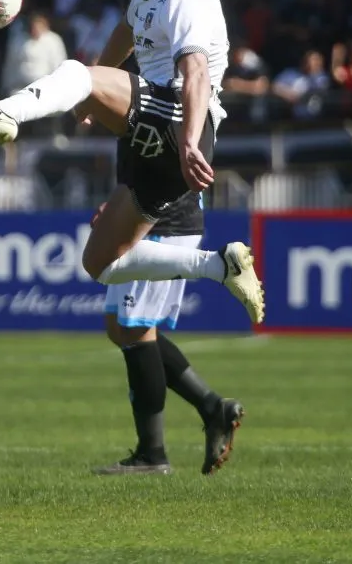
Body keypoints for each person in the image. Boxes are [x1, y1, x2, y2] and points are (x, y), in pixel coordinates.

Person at [0, 0, 265, 326]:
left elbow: (196, 72)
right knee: (101, 264)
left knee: (76, 70)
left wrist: (186, 140)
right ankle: (221, 266)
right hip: (153, 135)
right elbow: (127, 28)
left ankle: (5, 113)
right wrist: (95, 89)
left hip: (181, 121)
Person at [91, 141, 243, 476]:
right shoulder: (155, 97)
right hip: (147, 217)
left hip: (159, 224)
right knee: (119, 327)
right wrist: (118, 205)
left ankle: (152, 454)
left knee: (135, 329)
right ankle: (212, 407)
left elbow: (164, 160)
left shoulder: (164, 95)